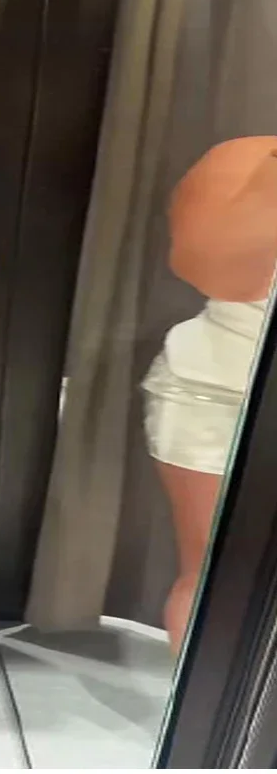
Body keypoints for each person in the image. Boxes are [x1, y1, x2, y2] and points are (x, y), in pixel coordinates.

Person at [142, 136, 277, 654]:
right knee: (208, 572)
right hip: (208, 391)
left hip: (209, 383)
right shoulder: (253, 161)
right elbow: (199, 260)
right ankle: (207, 707)